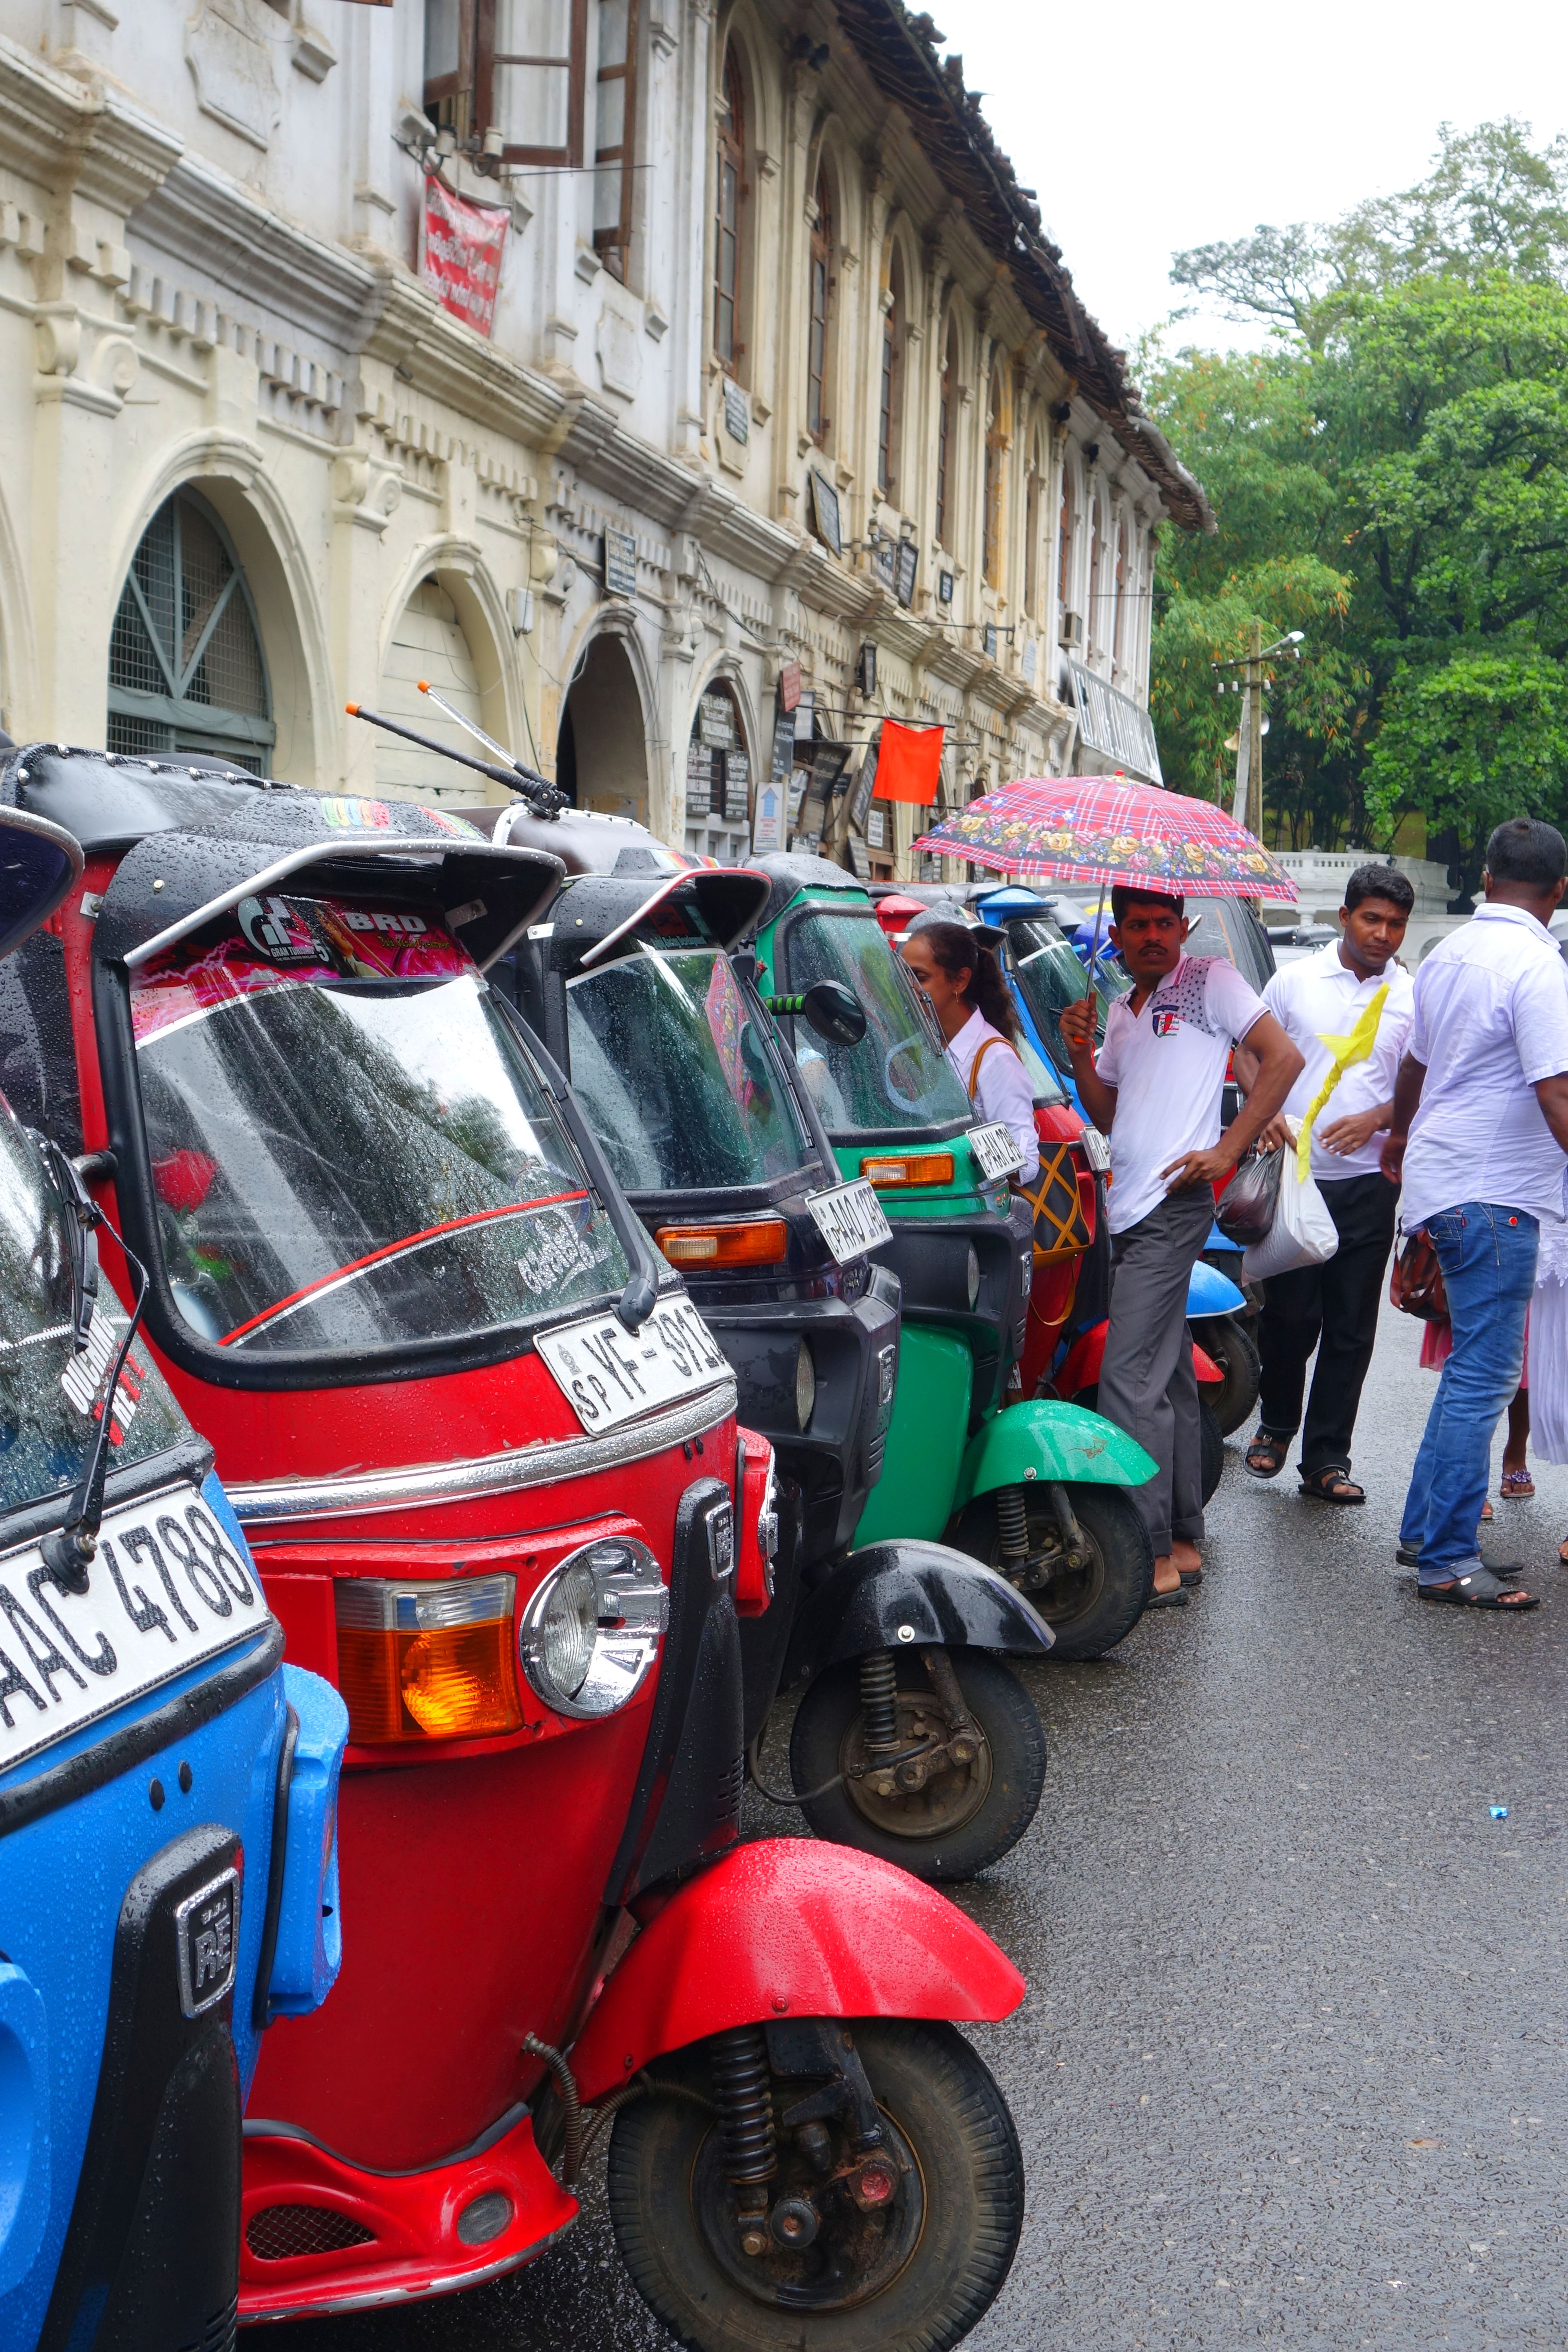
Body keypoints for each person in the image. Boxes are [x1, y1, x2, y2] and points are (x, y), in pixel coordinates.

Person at [1059, 888, 1303, 1604]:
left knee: (1126, 1379)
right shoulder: (1119, 1009)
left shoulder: (1209, 980)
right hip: (1129, 1207)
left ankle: (1146, 1555)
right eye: (1137, 925)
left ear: (1182, 928)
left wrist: (1227, 1148)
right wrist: (1079, 1055)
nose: (1153, 936)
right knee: (1162, 1378)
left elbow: (1281, 1058)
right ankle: (1182, 1543)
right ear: (1116, 934)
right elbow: (1109, 1111)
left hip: (1172, 1206)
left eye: (1164, 923)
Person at [1381, 816, 1568, 1612]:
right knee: (1484, 1377)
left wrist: (1398, 1137)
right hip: (1496, 1194)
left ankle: (1426, 1532)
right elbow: (1556, 1091)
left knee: (1467, 1371)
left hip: (1445, 1180)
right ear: (1558, 892)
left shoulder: (1447, 953)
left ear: (1486, 879)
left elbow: (1415, 1065)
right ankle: (1448, 1561)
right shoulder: (1538, 965)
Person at [1236, 864, 1416, 1504]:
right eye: (1372, 919)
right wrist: (1265, 1110)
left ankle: (1327, 1460)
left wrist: (1379, 1118)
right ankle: (1277, 1424)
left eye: (1396, 924)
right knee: (1290, 1316)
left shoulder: (1412, 997)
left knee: (1350, 1326)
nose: (1383, 934)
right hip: (1294, 1179)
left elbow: (1425, 1083)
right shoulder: (1295, 981)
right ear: (1345, 917)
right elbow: (1248, 1050)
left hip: (1368, 1184)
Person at [900, 919, 1041, 1181]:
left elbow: (1025, 1163)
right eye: (902, 975)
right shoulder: (910, 1048)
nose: (907, 987)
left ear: (960, 981)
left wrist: (962, 1153)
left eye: (920, 977)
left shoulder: (995, 1058)